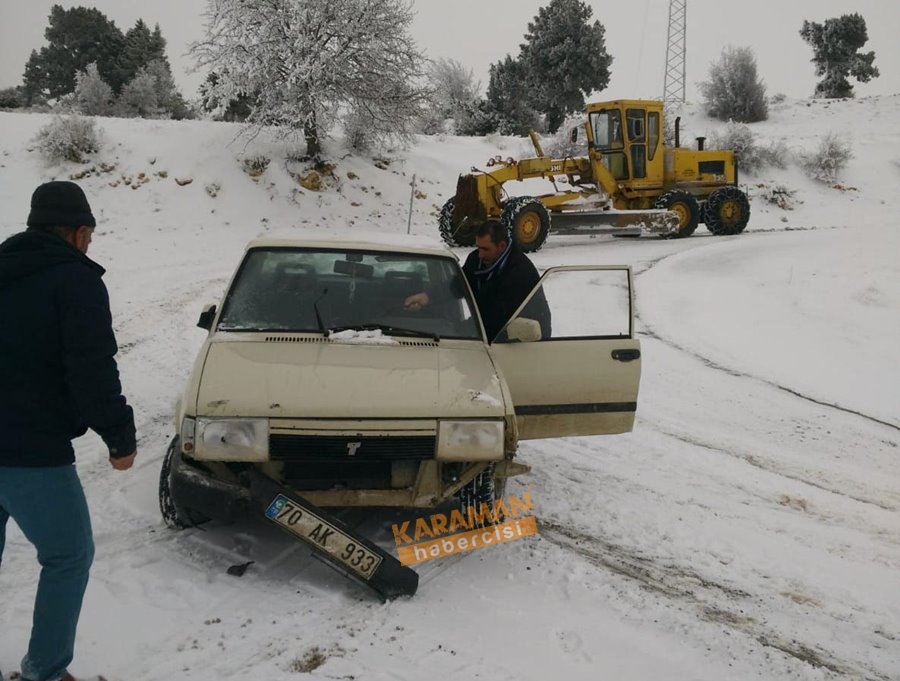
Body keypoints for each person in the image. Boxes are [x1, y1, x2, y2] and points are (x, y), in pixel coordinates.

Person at [0, 181, 137, 681]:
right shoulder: (75, 280)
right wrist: (119, 435)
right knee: (68, 555)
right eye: (89, 237)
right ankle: (45, 671)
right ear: (79, 233)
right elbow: (91, 367)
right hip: (31, 450)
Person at [405, 220, 550, 340]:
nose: (480, 254)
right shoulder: (476, 260)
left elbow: (497, 318)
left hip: (522, 340)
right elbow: (459, 286)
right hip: (485, 334)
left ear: (501, 246)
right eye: (478, 247)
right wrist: (428, 296)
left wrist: (457, 330)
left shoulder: (520, 272)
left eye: (485, 249)